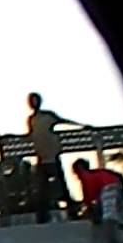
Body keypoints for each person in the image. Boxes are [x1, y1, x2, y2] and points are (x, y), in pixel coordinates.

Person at [27, 92, 85, 222]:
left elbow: (63, 121)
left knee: (60, 186)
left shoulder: (48, 116)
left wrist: (81, 126)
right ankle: (43, 216)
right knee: (42, 189)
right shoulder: (32, 119)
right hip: (41, 158)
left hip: (52, 157)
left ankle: (72, 211)